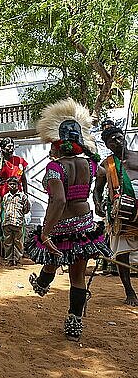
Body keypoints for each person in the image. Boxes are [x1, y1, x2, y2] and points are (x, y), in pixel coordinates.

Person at [26, 99, 110, 342]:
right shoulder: (91, 165)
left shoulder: (55, 168)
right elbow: (102, 174)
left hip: (62, 225)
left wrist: (46, 232)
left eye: (53, 143)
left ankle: (42, 283)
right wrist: (96, 196)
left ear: (59, 144)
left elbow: (59, 201)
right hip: (84, 223)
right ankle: (74, 323)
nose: (50, 147)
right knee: (77, 276)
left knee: (53, 255)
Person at [93, 126, 138, 306]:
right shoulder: (106, 165)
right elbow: (97, 190)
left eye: (119, 137)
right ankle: (129, 292)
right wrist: (98, 205)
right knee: (121, 253)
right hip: (120, 213)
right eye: (112, 140)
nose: (117, 142)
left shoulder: (137, 156)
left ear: (124, 137)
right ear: (107, 145)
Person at [1, 177, 30, 266]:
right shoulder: (6, 196)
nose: (12, 186)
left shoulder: (22, 196)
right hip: (7, 222)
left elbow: (26, 209)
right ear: (8, 185)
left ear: (18, 185)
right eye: (10, 184)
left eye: (15, 184)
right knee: (8, 242)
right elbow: (4, 208)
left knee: (18, 242)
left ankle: (17, 259)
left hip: (18, 222)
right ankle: (9, 260)